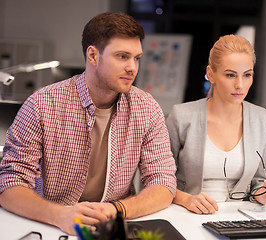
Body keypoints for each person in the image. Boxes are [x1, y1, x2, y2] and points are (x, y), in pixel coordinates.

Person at [0, 12, 177, 235]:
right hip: (50, 225)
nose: (132, 67)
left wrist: (116, 209)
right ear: (92, 55)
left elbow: (163, 182)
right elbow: (9, 184)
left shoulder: (147, 108)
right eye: (122, 56)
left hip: (114, 225)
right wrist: (59, 215)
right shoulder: (42, 104)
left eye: (137, 58)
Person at [166, 34, 266, 215]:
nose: (240, 85)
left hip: (240, 218)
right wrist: (186, 199)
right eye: (230, 75)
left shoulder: (263, 119)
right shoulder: (181, 117)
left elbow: (259, 183)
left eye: (247, 75)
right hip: (186, 214)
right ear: (210, 74)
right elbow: (156, 182)